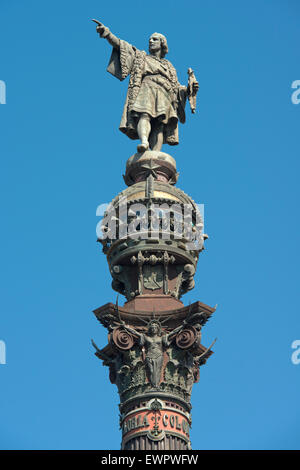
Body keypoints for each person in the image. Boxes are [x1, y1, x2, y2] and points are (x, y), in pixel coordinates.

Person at [94, 21, 199, 152]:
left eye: (154, 39)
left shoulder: (169, 66)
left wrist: (189, 89)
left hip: (165, 94)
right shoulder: (141, 57)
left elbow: (176, 89)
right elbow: (123, 47)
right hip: (147, 88)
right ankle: (144, 142)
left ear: (162, 44)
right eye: (150, 39)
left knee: (160, 125)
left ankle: (155, 153)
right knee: (144, 115)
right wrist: (108, 34)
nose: (150, 41)